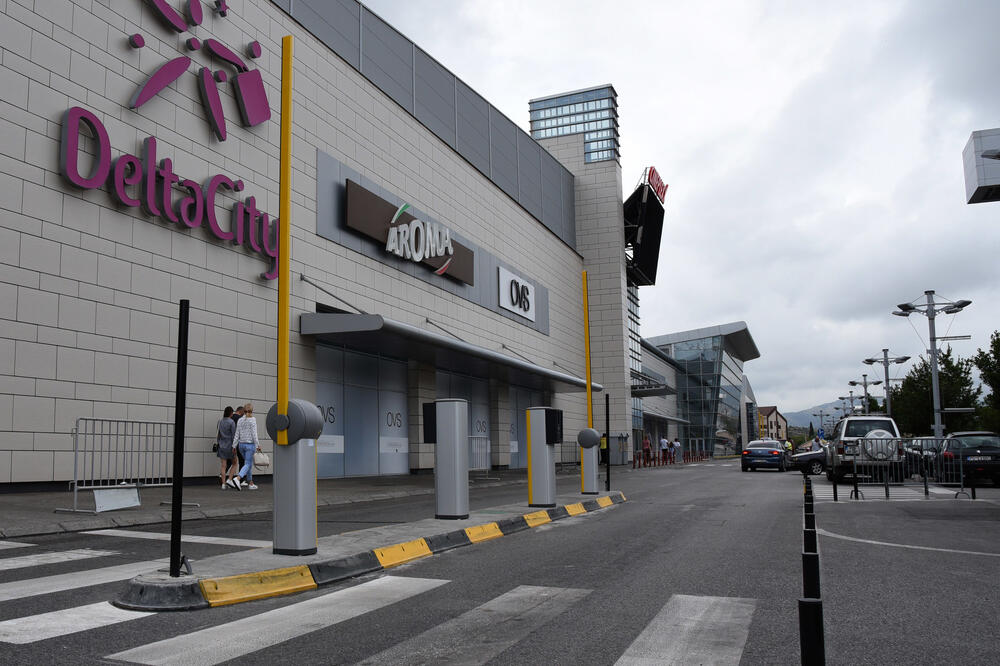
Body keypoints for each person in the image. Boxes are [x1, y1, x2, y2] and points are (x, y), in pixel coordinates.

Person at [228, 403, 261, 490]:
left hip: (241, 445)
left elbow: (237, 434)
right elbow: (254, 434)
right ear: (252, 410)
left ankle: (250, 483)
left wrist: (234, 446)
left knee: (247, 464)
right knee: (248, 464)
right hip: (250, 445)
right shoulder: (253, 420)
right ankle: (238, 478)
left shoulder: (240, 420)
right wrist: (257, 445)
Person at [216, 406, 237, 489]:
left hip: (221, 446)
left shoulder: (220, 421)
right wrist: (234, 446)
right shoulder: (232, 422)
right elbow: (234, 435)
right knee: (235, 463)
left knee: (223, 466)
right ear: (231, 413)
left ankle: (223, 484)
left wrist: (218, 442)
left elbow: (218, 434)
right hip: (230, 446)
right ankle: (230, 479)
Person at [228, 404, 246, 484]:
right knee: (242, 461)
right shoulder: (241, 419)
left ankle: (222, 475)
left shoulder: (230, 418)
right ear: (241, 411)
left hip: (229, 443)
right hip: (239, 443)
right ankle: (240, 480)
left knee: (230, 460)